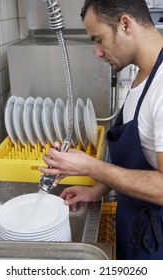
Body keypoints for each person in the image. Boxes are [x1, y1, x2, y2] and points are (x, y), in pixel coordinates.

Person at [38, 0, 163, 260]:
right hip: (134, 221)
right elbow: (140, 163)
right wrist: (97, 188)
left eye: (98, 39)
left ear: (125, 24)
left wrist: (90, 167)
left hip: (155, 238)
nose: (97, 52)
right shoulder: (144, 74)